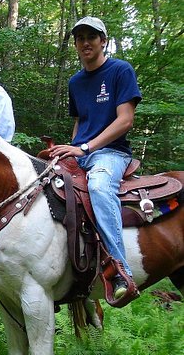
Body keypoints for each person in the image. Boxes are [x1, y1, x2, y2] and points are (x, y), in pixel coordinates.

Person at [49, 16, 142, 300]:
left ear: (103, 41)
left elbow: (125, 120)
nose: (85, 42)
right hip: (81, 152)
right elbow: (81, 121)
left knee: (100, 188)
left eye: (92, 36)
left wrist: (86, 148)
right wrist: (71, 148)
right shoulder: (75, 82)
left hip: (111, 153)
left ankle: (120, 271)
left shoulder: (120, 71)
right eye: (80, 38)